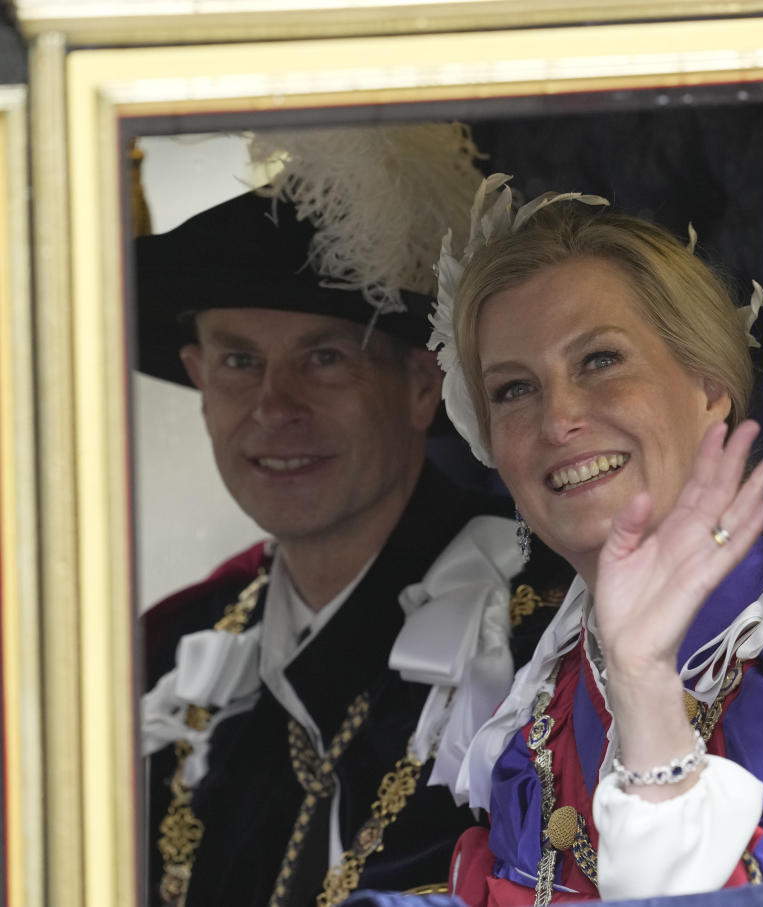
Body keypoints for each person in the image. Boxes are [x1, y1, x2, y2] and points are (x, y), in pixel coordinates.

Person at [137, 130, 563, 907]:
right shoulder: (164, 653)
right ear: (198, 378)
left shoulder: (542, 636)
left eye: (324, 358)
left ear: (421, 385)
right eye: (239, 361)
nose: (274, 407)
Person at [426, 174, 763, 904]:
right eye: (514, 389)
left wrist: (646, 686)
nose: (559, 421)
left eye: (600, 360)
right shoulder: (544, 697)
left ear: (708, 387)